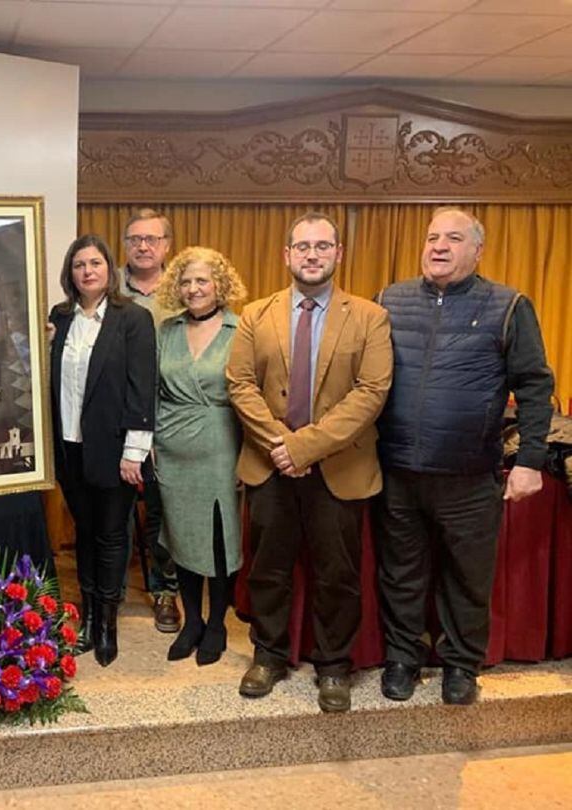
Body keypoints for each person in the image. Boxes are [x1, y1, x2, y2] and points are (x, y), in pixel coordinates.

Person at [374, 207, 554, 706]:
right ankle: (403, 658)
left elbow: (536, 387)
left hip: (470, 475)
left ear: (478, 249)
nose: (439, 246)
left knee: (468, 578)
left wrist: (531, 460)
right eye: (432, 237)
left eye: (453, 238)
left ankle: (460, 666)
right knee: (400, 575)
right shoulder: (389, 300)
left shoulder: (509, 305)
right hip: (397, 471)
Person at [226, 212, 392, 713]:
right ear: (287, 255)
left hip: (338, 469)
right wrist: (283, 445)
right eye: (303, 247)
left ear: (339, 254)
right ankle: (270, 653)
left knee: (336, 573)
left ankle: (334, 665)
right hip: (269, 466)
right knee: (268, 568)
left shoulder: (368, 316)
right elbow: (240, 384)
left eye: (323, 246)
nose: (312, 255)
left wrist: (305, 448)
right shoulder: (257, 314)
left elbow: (372, 392)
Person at [49, 234, 156, 667]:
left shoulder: (132, 319)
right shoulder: (59, 317)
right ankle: (88, 619)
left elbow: (141, 386)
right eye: (78, 265)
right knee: (85, 536)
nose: (87, 271)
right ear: (69, 273)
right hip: (70, 447)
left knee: (113, 537)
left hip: (116, 451)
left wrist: (135, 451)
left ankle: (107, 624)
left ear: (109, 269)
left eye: (95, 263)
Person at [153, 247, 247, 665]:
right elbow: (152, 392)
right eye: (186, 281)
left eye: (202, 281)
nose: (193, 289)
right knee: (182, 537)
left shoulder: (240, 330)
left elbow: (251, 397)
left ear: (219, 285)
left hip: (222, 447)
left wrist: (250, 456)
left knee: (219, 539)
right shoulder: (167, 332)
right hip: (172, 450)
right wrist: (151, 444)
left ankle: (216, 624)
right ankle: (191, 621)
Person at [119, 208, 183, 634]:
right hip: (116, 419)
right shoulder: (105, 289)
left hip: (167, 422)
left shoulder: (184, 292)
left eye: (152, 239)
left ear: (166, 246)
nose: (144, 246)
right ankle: (109, 592)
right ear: (125, 245)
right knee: (115, 512)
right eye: (135, 239)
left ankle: (164, 590)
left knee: (162, 513)